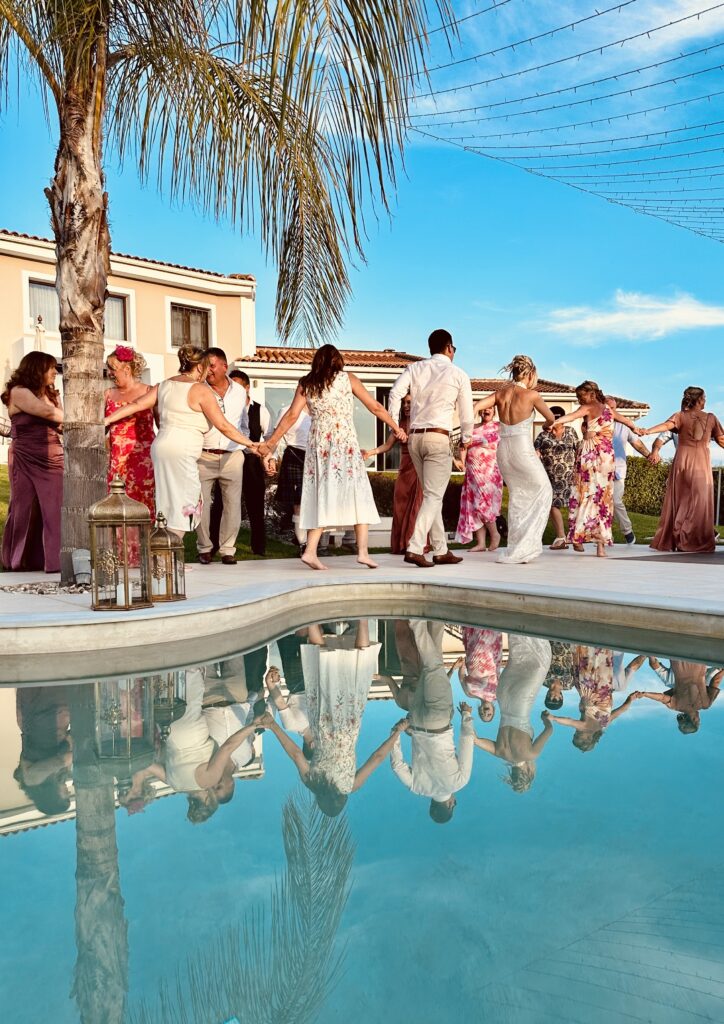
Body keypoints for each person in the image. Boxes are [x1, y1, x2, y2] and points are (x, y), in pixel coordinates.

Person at [259, 344, 405, 571]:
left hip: (319, 447)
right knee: (359, 493)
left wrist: (271, 442)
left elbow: (291, 415)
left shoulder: (307, 383)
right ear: (338, 360)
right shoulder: (348, 379)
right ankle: (363, 553)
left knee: (320, 495)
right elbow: (375, 406)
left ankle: (309, 551)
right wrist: (395, 427)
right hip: (343, 444)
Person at [104, 345, 260, 540]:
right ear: (200, 367)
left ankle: (163, 549)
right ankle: (169, 552)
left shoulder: (164, 385)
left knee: (166, 501)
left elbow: (136, 405)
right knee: (189, 502)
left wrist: (107, 420)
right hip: (182, 450)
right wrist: (251, 444)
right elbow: (223, 425)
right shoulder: (201, 390)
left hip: (160, 448)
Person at [263, 621, 397, 816]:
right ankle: (311, 619)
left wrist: (398, 732)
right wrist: (274, 727)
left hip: (349, 722)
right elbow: (297, 755)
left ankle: (363, 618)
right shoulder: (312, 781)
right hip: (323, 722)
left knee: (359, 670)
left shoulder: (351, 786)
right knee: (323, 667)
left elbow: (377, 758)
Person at [119, 667, 271, 823]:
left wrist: (252, 727)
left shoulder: (208, 780)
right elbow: (146, 763)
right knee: (166, 682)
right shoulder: (173, 784)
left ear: (207, 801)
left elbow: (227, 747)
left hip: (192, 725)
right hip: (167, 727)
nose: (213, 788)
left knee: (191, 671)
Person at [388, 329, 474, 568]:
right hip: (438, 438)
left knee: (430, 496)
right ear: (449, 348)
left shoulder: (414, 368)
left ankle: (440, 549)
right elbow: (467, 414)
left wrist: (395, 425)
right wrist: (466, 439)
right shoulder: (458, 374)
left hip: (414, 438)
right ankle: (415, 548)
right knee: (435, 495)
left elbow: (395, 393)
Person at [389, 620, 475, 822]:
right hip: (417, 720)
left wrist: (467, 716)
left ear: (450, 805)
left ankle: (417, 623)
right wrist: (396, 734)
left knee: (433, 665)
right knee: (428, 668)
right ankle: (434, 619)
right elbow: (397, 766)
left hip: (439, 723)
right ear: (431, 804)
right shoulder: (417, 788)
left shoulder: (459, 783)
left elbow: (467, 741)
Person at [475, 355, 556, 564]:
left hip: (503, 450)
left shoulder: (500, 393)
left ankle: (516, 547)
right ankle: (526, 546)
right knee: (544, 490)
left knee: (519, 495)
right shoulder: (532, 395)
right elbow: (551, 418)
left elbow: (475, 407)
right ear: (529, 374)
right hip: (521, 448)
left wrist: (469, 430)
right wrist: (547, 425)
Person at [552, 381, 642, 557]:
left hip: (591, 454)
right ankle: (600, 545)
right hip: (607, 457)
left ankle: (579, 536)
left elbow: (571, 416)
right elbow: (628, 422)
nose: (579, 400)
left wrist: (555, 422)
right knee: (602, 498)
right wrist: (639, 429)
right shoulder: (609, 410)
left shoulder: (588, 407)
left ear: (591, 394)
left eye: (581, 396)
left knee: (585, 493)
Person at [1, 352, 64, 573]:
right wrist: (80, 418)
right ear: (37, 369)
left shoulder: (53, 394)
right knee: (24, 508)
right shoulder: (18, 392)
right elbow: (46, 412)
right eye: (51, 368)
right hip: (25, 456)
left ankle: (53, 562)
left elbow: (60, 423)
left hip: (53, 456)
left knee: (53, 508)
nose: (55, 372)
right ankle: (21, 560)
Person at [641, 387, 724, 553]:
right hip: (701, 462)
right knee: (700, 501)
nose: (705, 400)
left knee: (682, 500)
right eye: (704, 397)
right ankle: (690, 538)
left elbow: (666, 425)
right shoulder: (711, 418)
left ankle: (681, 536)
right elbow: (722, 440)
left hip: (683, 461)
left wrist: (647, 430)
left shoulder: (680, 416)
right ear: (699, 400)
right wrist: (650, 433)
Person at [473, 635, 553, 793]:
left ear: (529, 772)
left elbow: (549, 730)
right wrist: (466, 718)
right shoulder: (499, 752)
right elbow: (474, 740)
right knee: (516, 658)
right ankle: (516, 626)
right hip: (503, 696)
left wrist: (546, 720)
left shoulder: (531, 754)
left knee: (541, 662)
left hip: (520, 702)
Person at [194, 348, 249, 565]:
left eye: (212, 366)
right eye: (205, 366)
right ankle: (204, 547)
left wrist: (244, 446)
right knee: (201, 503)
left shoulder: (239, 392)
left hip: (232, 456)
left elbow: (243, 424)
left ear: (225, 366)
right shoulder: (198, 390)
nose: (208, 371)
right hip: (203, 455)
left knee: (232, 505)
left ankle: (228, 550)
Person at [548, 646, 643, 752]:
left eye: (574, 735)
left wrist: (630, 699)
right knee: (586, 655)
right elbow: (569, 722)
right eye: (578, 737)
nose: (576, 733)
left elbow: (622, 710)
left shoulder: (604, 724)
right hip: (590, 685)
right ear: (589, 738)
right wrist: (554, 718)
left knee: (601, 658)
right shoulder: (586, 727)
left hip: (604, 686)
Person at [362, 393, 423, 555]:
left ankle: (413, 545)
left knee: (416, 506)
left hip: (419, 468)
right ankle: (400, 545)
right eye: (403, 403)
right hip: (403, 470)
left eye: (409, 402)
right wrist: (370, 452)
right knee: (401, 506)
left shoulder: (423, 422)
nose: (405, 406)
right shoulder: (399, 424)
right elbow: (387, 446)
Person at [104, 345, 156, 522]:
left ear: (127, 369)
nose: (110, 373)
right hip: (117, 462)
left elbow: (161, 425)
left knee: (143, 506)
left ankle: (144, 548)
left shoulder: (150, 392)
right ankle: (119, 549)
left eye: (113, 369)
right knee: (117, 509)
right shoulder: (108, 394)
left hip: (144, 461)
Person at [229, 368, 273, 556]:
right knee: (225, 504)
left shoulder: (260, 410)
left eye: (239, 387)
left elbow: (270, 435)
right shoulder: (225, 409)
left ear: (247, 388)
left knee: (256, 505)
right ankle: (217, 545)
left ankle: (259, 547)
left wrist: (266, 456)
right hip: (231, 458)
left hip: (252, 461)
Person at [453, 404, 504, 551]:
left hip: (490, 473)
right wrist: (461, 462)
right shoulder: (472, 427)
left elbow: (502, 446)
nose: (486, 410)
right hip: (472, 472)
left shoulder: (499, 427)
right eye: (484, 408)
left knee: (484, 504)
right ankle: (481, 543)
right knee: (474, 506)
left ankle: (495, 534)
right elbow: (463, 446)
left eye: (489, 408)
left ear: (494, 411)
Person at [606, 395, 653, 545]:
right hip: (600, 468)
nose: (611, 411)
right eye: (608, 408)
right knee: (602, 503)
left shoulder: (623, 426)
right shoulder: (597, 424)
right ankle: (605, 535)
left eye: (613, 408)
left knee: (616, 501)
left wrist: (649, 455)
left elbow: (636, 443)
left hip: (618, 469)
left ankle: (627, 531)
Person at [533, 405, 578, 551]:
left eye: (558, 419)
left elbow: (579, 451)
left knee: (574, 505)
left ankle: (576, 536)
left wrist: (578, 472)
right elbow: (534, 453)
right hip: (549, 476)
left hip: (570, 475)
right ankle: (561, 537)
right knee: (552, 504)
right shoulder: (543, 435)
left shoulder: (571, 432)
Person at [640, 660, 722, 734]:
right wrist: (645, 694)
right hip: (678, 662)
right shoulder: (675, 706)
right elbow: (661, 698)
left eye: (698, 721)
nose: (699, 719)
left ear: (694, 720)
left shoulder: (705, 704)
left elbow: (716, 680)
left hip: (699, 662)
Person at [272, 403, 312, 550]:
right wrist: (272, 457)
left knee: (318, 501)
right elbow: (277, 435)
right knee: (299, 502)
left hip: (317, 456)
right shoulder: (287, 411)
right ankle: (303, 543)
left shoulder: (321, 409)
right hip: (295, 455)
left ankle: (318, 543)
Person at [455, 626, 503, 722]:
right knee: (488, 631)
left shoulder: (469, 694)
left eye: (482, 714)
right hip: (490, 656)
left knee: (473, 630)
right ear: (493, 710)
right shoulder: (499, 695)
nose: (485, 712)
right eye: (489, 714)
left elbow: (462, 678)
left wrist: (462, 665)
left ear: (479, 710)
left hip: (472, 656)